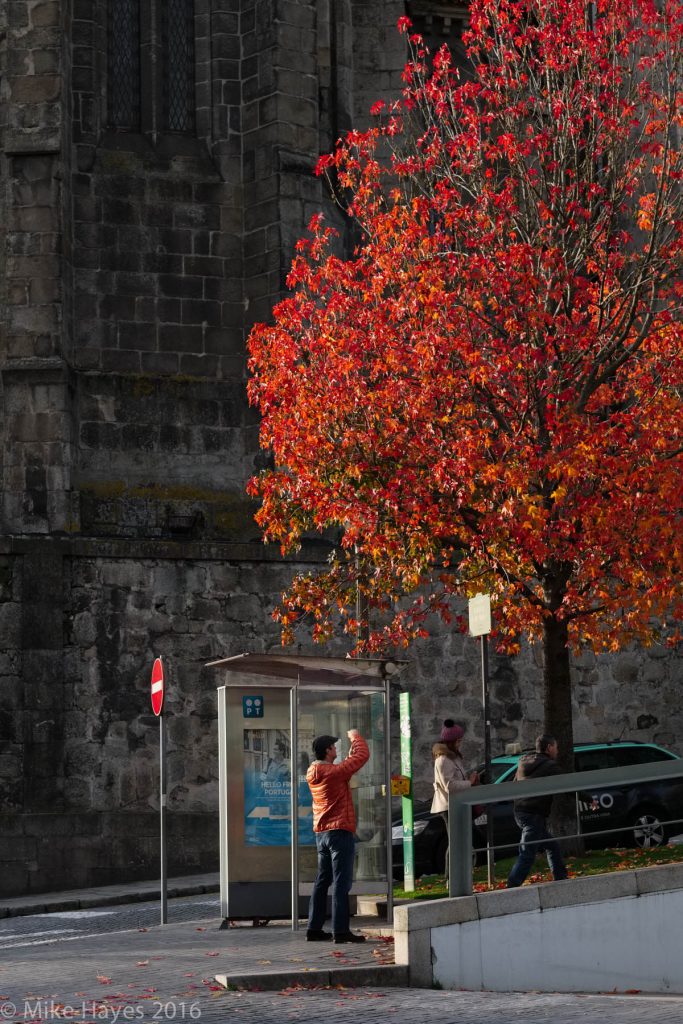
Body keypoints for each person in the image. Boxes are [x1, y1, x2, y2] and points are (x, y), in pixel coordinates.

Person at [305, 729, 369, 944]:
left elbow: (347, 765)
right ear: (327, 750)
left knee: (322, 880)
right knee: (342, 882)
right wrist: (355, 736)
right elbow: (361, 757)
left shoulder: (313, 771)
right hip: (339, 831)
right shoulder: (333, 772)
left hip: (321, 832)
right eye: (334, 747)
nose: (336, 750)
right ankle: (340, 931)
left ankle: (314, 928)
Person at [506, 734, 569, 888]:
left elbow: (514, 782)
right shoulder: (550, 766)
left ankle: (561, 878)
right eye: (556, 747)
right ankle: (512, 885)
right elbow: (568, 784)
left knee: (551, 845)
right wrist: (590, 799)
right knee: (527, 853)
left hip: (520, 812)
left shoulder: (523, 761)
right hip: (533, 814)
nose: (557, 751)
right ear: (549, 748)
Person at [431, 719, 479, 879]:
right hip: (449, 805)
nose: (460, 743)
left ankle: (458, 874)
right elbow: (449, 785)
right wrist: (469, 782)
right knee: (455, 841)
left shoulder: (453, 758)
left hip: (457, 804)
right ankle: (450, 876)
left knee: (459, 840)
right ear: (452, 742)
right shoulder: (443, 760)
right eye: (459, 741)